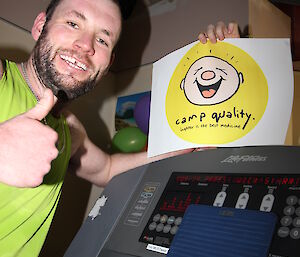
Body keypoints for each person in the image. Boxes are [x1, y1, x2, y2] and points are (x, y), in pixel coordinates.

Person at [0, 0, 240, 255]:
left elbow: (107, 169)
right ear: (40, 26)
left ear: (108, 63)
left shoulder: (69, 128)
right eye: (73, 23)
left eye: (103, 40)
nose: (86, 45)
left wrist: (182, 147)